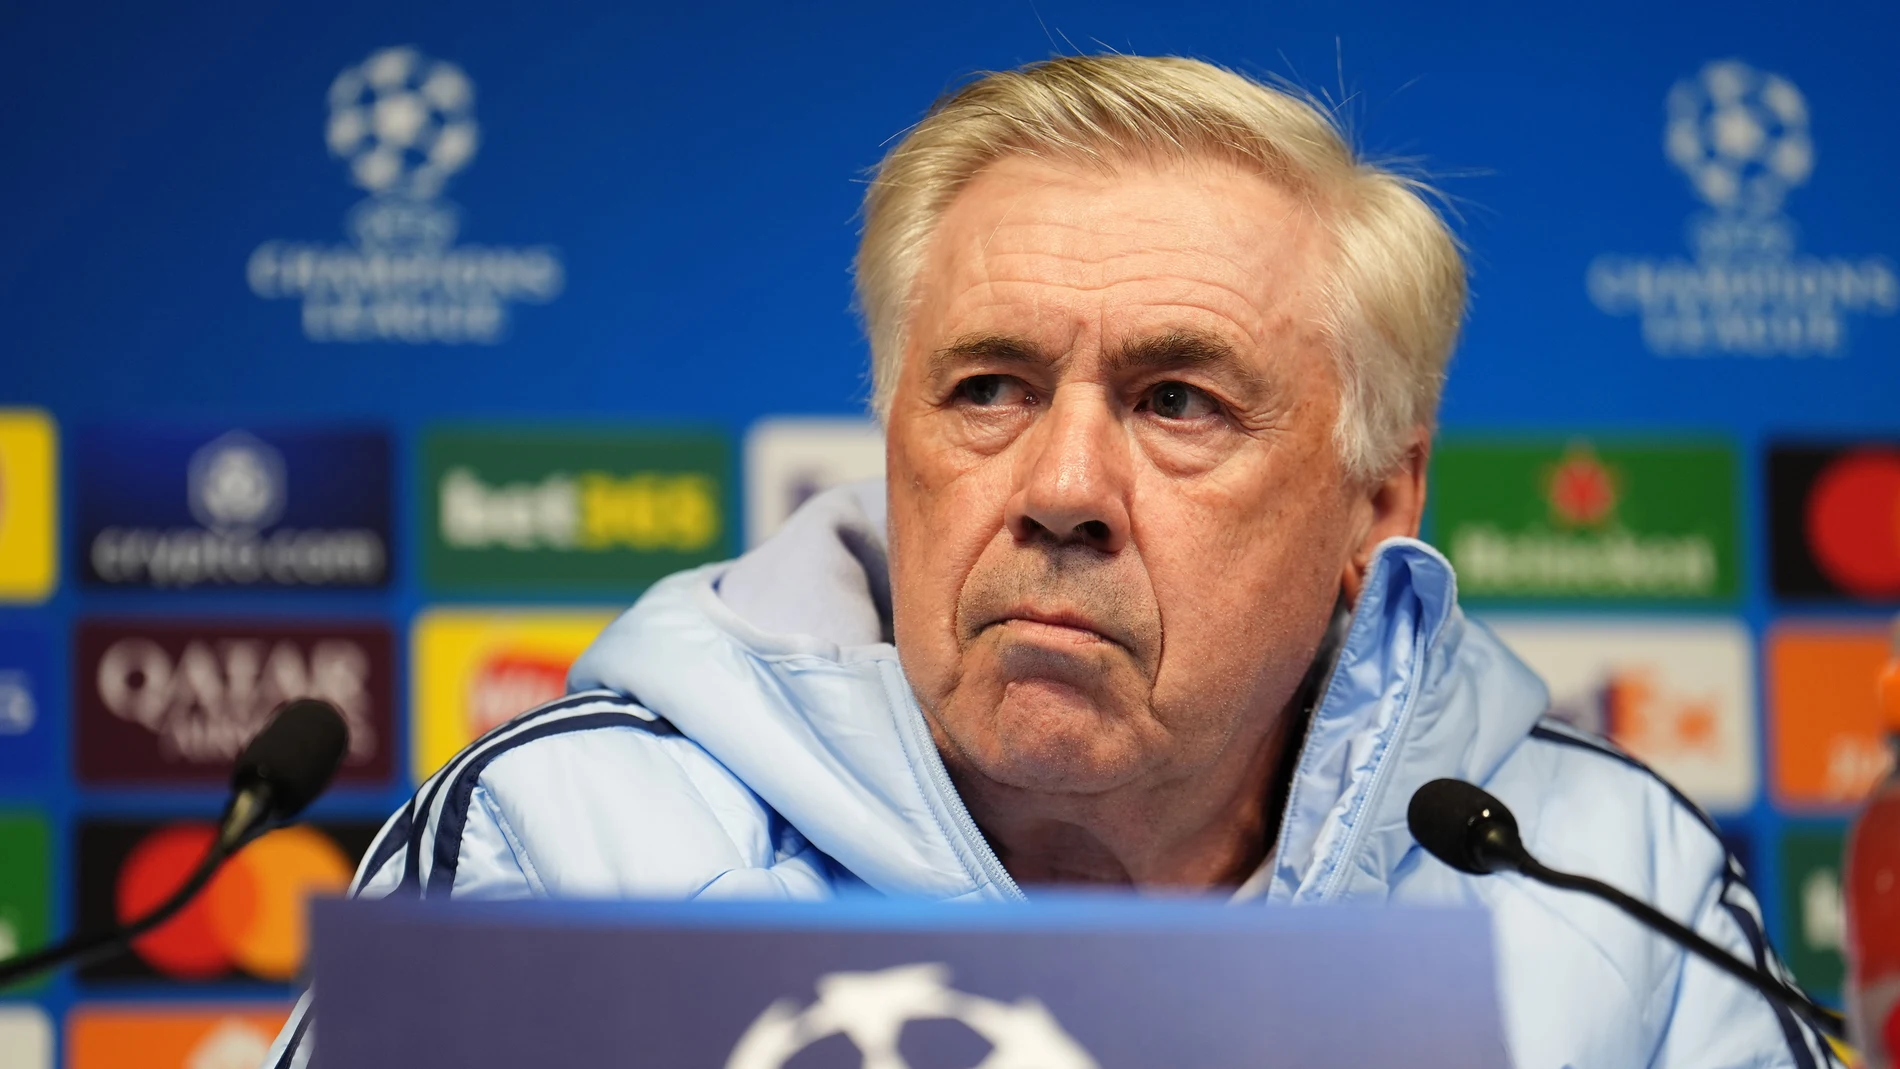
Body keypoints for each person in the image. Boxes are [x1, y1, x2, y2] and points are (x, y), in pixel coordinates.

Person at [265, 55, 1831, 1069]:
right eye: (990, 389)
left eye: (1177, 401)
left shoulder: (1618, 886)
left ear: (1378, 498)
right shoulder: (561, 843)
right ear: (892, 433)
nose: (1062, 487)